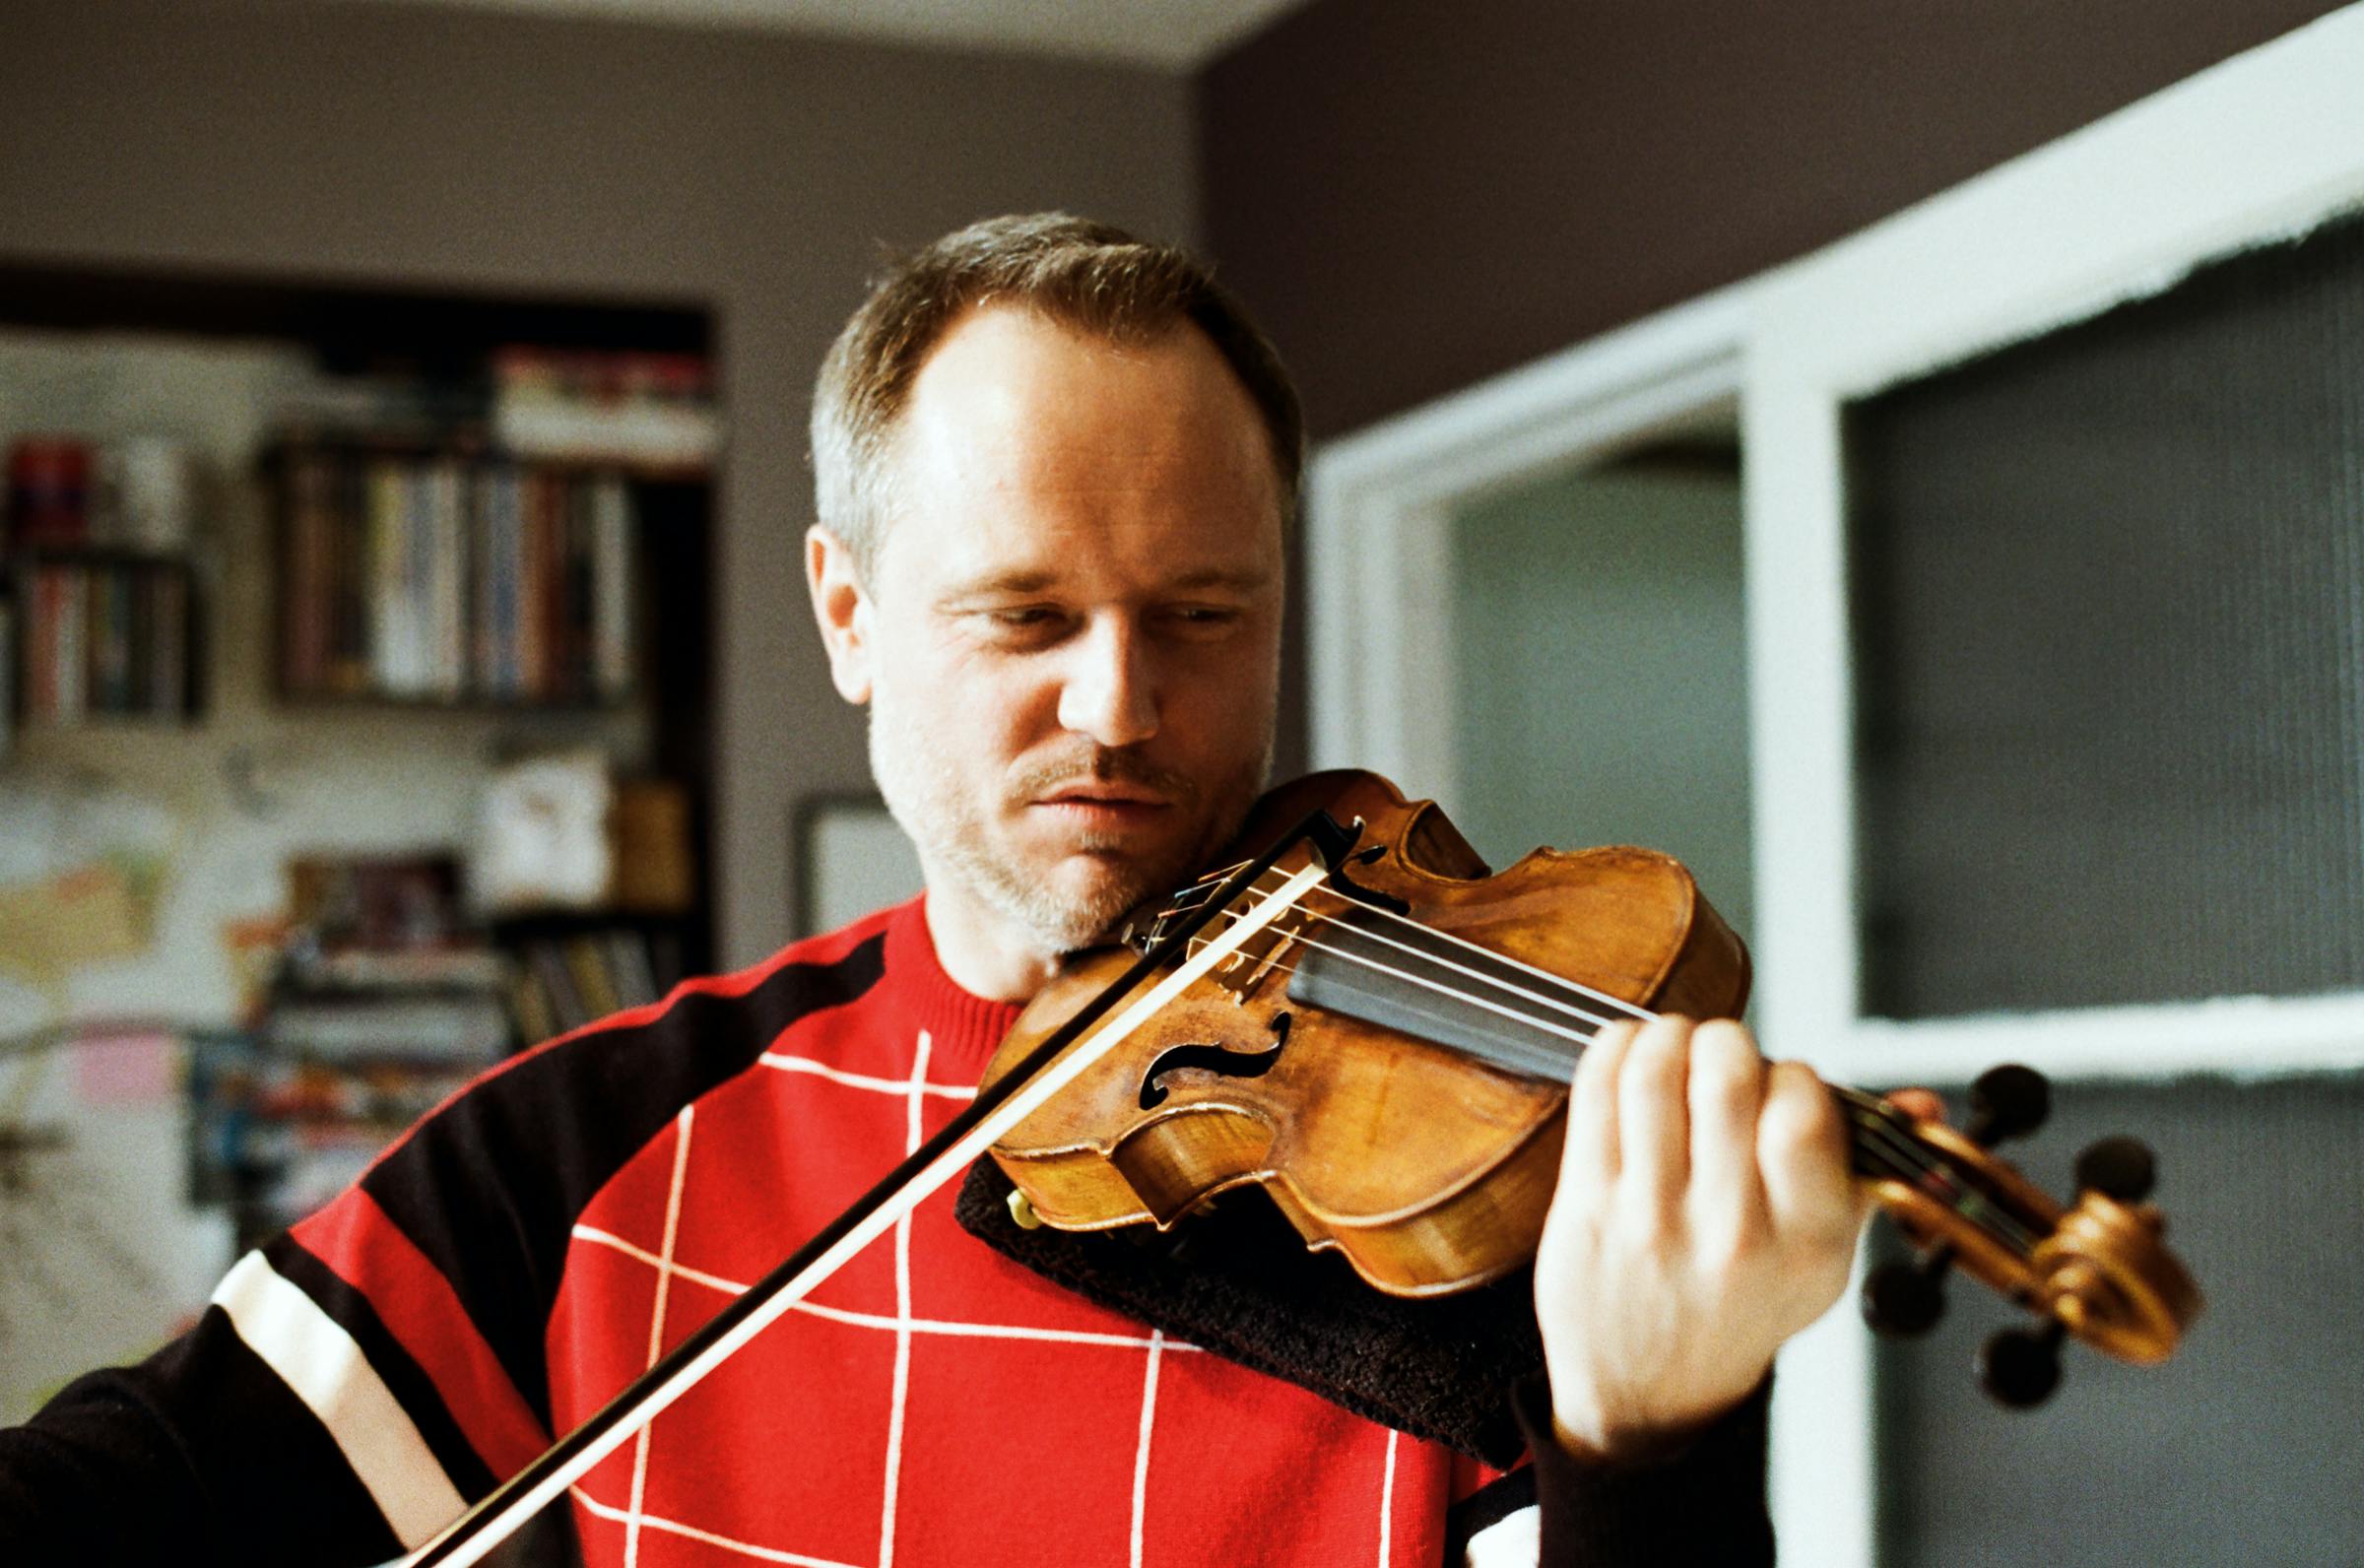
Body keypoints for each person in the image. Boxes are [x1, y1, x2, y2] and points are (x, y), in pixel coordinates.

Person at [0, 214, 1878, 1566]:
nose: (1124, 703)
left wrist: (1653, 1440)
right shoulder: (591, 1166)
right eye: (1025, 616)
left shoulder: (1463, 1215)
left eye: (1206, 616)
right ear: (848, 614)